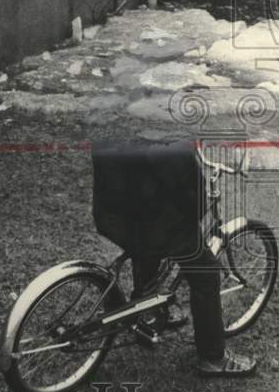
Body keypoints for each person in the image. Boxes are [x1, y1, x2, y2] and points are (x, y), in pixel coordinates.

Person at [91, 141, 258, 377]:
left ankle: (145, 308)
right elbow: (187, 188)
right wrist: (200, 209)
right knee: (206, 273)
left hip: (112, 214)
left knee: (149, 249)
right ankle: (213, 358)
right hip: (150, 222)